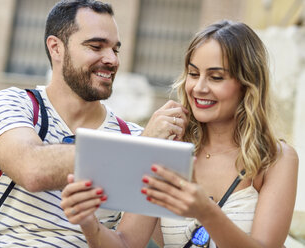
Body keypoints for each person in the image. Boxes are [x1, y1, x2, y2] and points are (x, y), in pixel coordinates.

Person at [61, 20, 299, 248]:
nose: (199, 87)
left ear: (248, 84)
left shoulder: (276, 159)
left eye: (216, 77)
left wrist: (205, 212)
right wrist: (89, 224)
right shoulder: (168, 150)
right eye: (194, 74)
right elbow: (125, 243)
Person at [0, 0, 187, 246]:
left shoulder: (134, 137)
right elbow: (32, 170)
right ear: (56, 48)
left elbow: (147, 241)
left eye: (115, 50)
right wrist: (142, 151)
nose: (111, 59)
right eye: (96, 46)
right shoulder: (15, 103)